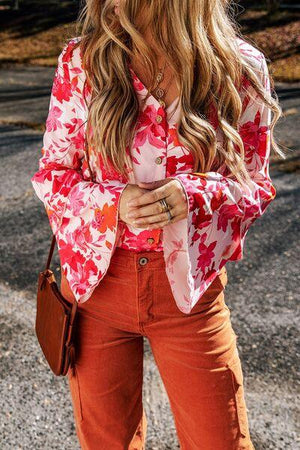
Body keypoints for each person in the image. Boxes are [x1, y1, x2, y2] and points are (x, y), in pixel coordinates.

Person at [30, 1, 284, 449]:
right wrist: (114, 202)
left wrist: (195, 194)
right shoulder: (83, 60)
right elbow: (52, 174)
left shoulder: (239, 66)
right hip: (94, 291)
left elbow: (255, 186)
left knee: (220, 441)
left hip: (189, 297)